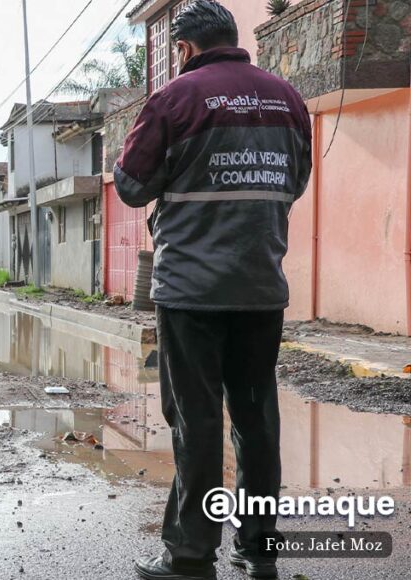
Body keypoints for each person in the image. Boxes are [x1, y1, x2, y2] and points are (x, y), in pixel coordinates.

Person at [114, 2, 312, 579]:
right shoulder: (288, 98)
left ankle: (191, 555)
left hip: (191, 291)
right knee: (256, 418)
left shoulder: (175, 98)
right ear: (232, 36)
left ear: (183, 48)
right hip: (260, 285)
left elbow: (130, 186)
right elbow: (295, 180)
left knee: (196, 420)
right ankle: (260, 552)